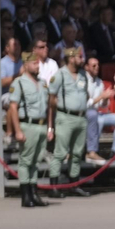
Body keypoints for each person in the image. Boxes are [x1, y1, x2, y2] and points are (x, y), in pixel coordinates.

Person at [46, 47, 93, 196]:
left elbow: (86, 94)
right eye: (79, 57)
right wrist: (51, 125)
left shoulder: (82, 74)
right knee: (60, 153)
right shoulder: (60, 74)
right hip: (65, 116)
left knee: (77, 153)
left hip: (81, 117)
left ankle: (74, 184)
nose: (82, 59)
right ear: (71, 58)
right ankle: (53, 186)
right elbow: (51, 98)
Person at [7, 50, 51, 208]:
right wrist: (17, 130)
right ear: (25, 65)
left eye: (38, 63)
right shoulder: (19, 83)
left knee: (36, 161)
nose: (37, 66)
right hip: (28, 124)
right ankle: (26, 196)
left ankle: (34, 193)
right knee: (26, 161)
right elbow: (13, 107)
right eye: (34, 63)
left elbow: (48, 107)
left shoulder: (42, 83)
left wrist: (49, 127)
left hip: (41, 124)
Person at [82, 55, 115, 160]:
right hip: (85, 114)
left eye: (98, 65)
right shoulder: (83, 81)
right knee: (97, 120)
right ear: (86, 67)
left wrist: (106, 98)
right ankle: (92, 151)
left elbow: (103, 105)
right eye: (93, 65)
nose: (97, 67)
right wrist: (101, 96)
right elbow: (85, 104)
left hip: (97, 113)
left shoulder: (99, 82)